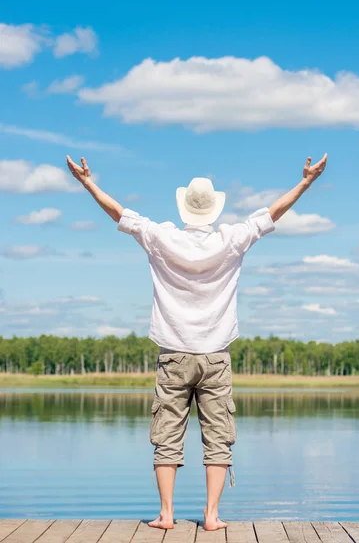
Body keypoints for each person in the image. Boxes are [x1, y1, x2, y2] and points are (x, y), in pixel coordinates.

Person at [66, 152, 328, 531]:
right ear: (213, 211)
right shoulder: (233, 239)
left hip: (173, 353)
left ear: (184, 208)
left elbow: (118, 214)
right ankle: (211, 516)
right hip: (215, 356)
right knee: (218, 437)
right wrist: (306, 181)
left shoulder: (161, 237)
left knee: (167, 434)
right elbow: (273, 213)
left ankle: (167, 515)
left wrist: (87, 182)